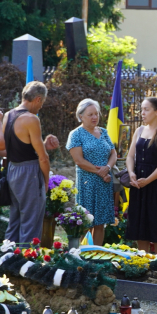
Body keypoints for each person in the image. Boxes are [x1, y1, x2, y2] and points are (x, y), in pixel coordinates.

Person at [2, 82, 59, 244]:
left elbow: (14, 147)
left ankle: (8, 260)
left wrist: (45, 145)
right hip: (30, 173)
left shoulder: (9, 115)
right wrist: (46, 181)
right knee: (31, 223)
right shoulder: (31, 119)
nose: (41, 107)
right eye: (42, 102)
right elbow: (43, 158)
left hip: (12, 170)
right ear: (38, 99)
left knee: (15, 220)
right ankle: (28, 263)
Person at [124, 98, 157, 255]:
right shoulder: (139, 130)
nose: (142, 113)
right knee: (140, 226)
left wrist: (148, 180)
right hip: (138, 184)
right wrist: (131, 172)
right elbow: (130, 156)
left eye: (146, 109)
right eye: (142, 109)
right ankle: (143, 263)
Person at [66, 99, 117, 246]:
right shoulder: (76, 134)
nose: (95, 117)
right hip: (87, 183)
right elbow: (79, 160)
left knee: (100, 222)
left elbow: (113, 153)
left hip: (104, 183)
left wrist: (107, 167)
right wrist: (101, 172)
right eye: (90, 114)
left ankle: (97, 255)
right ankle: (79, 256)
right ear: (81, 116)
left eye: (96, 114)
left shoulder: (104, 132)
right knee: (85, 222)